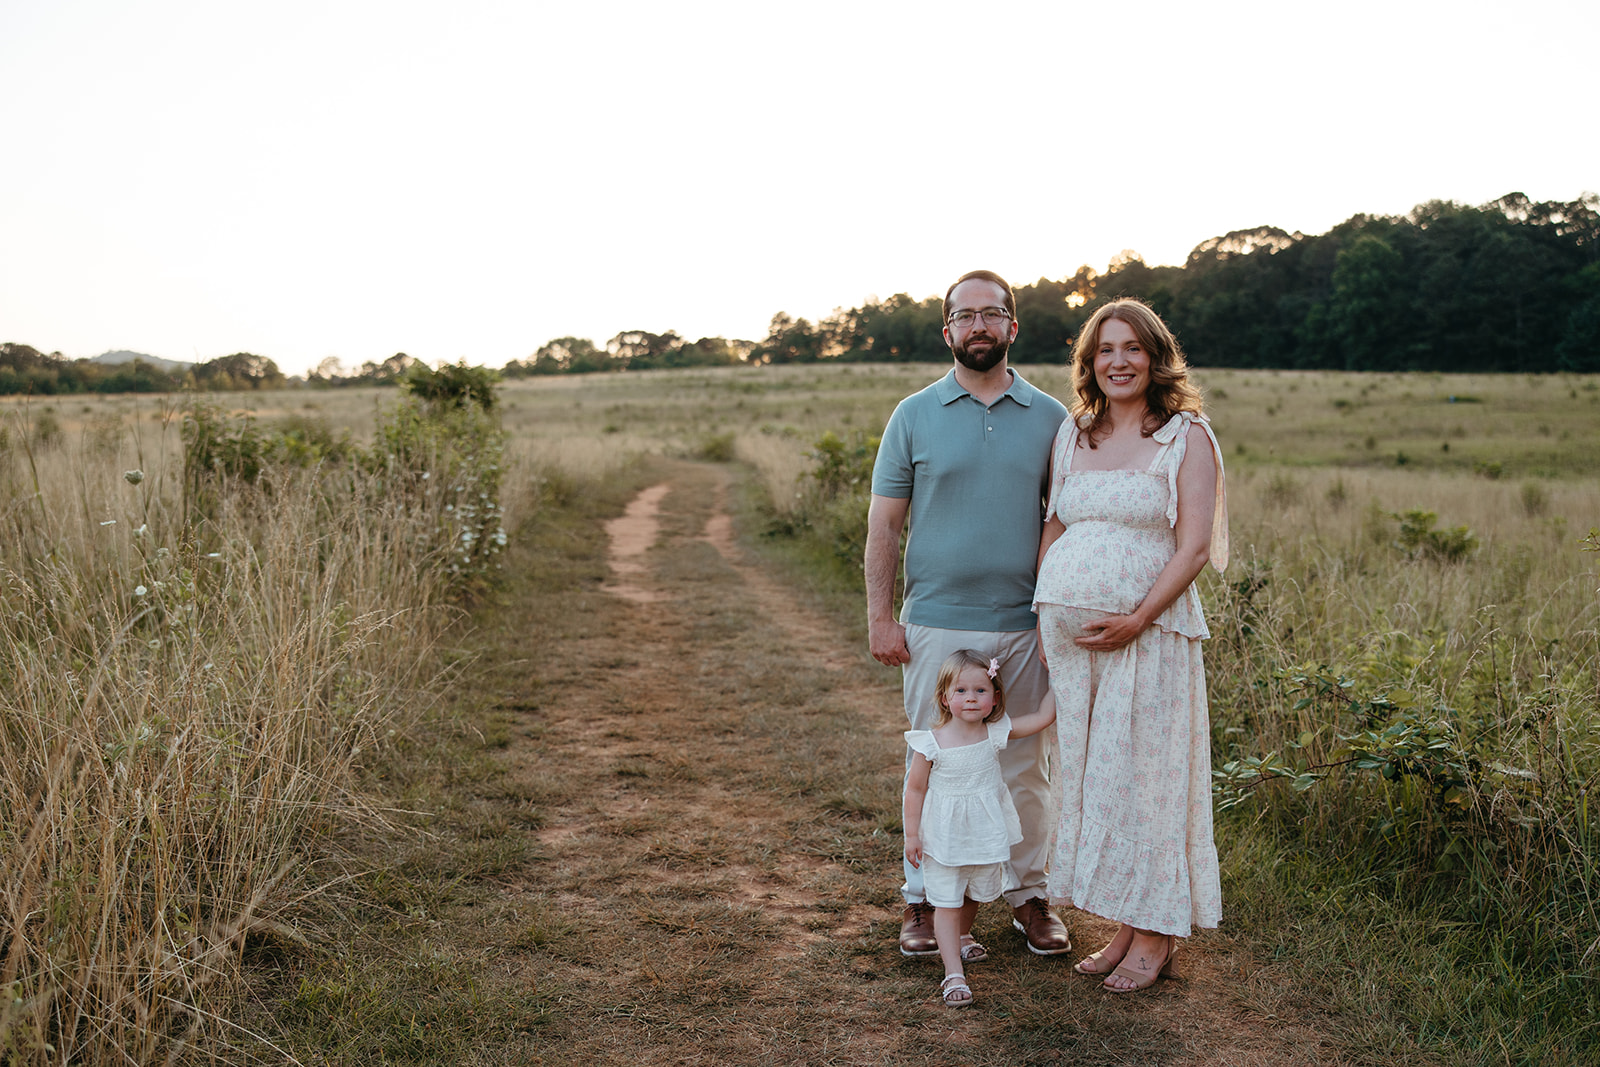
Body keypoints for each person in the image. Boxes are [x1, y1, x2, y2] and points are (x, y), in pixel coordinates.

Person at [867, 269, 1073, 959]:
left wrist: (1056, 616)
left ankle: (1029, 896)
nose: (978, 325)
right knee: (936, 759)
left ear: (1013, 326)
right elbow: (884, 525)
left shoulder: (1052, 418)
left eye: (992, 314)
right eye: (965, 315)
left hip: (1025, 622)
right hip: (936, 622)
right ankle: (923, 901)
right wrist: (880, 614)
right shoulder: (913, 414)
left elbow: (1064, 521)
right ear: (947, 330)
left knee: (1024, 767)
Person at [1032, 297, 1229, 993]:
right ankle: (1127, 920)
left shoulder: (1186, 435)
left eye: (1132, 348)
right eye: (1104, 350)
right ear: (1090, 363)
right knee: (1099, 778)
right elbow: (1055, 525)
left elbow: (1195, 544)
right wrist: (1041, 613)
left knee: (1149, 778)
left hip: (1150, 634)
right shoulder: (1073, 434)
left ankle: (1158, 931)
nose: (1117, 361)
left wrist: (1138, 616)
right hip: (1074, 640)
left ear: (1155, 358)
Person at [903, 650, 1059, 1007]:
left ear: (995, 698)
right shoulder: (932, 742)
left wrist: (1058, 675)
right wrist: (913, 835)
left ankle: (961, 936)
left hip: (983, 834)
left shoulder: (995, 732)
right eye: (960, 691)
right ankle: (953, 973)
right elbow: (915, 790)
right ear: (945, 697)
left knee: (973, 892)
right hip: (944, 838)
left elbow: (1043, 716)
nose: (970, 698)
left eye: (980, 690)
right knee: (946, 900)